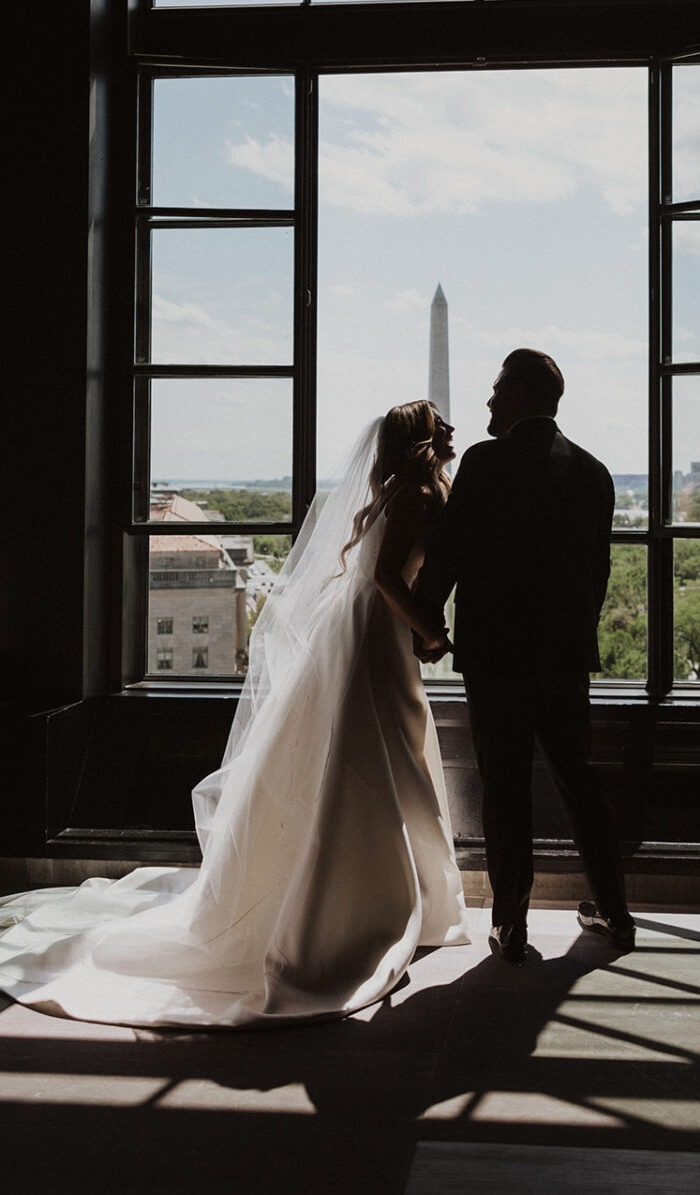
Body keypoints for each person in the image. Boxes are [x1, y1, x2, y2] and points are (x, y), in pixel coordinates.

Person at [0, 403, 468, 1028]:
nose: (454, 430)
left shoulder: (403, 490)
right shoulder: (414, 494)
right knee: (379, 756)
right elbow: (386, 577)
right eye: (441, 425)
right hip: (375, 636)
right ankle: (377, 901)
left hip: (367, 634)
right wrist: (430, 631)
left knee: (380, 754)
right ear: (422, 441)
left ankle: (385, 892)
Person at [414, 349, 635, 965]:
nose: (487, 401)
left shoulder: (485, 464)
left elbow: (448, 556)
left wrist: (423, 626)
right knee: (581, 782)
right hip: (564, 656)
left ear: (522, 396)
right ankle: (616, 913)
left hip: (495, 656)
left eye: (496, 389)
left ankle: (511, 924)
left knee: (503, 787)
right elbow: (598, 573)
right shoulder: (594, 473)